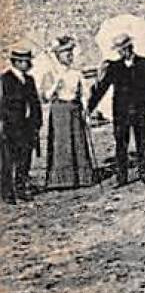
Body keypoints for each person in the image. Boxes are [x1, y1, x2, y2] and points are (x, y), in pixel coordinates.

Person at [87, 33, 145, 186]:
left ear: (131, 47)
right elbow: (102, 89)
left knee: (143, 143)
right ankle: (122, 177)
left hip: (142, 110)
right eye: (120, 50)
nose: (122, 52)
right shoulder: (114, 67)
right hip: (121, 113)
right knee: (121, 145)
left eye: (124, 49)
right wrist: (89, 107)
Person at [40, 36, 98, 190]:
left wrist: (86, 110)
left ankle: (82, 177)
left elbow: (84, 94)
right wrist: (56, 84)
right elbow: (46, 97)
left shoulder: (76, 73)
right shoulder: (51, 74)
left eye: (70, 52)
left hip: (74, 109)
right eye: (65, 53)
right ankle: (61, 180)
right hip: (59, 111)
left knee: (78, 142)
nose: (69, 56)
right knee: (62, 143)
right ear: (58, 56)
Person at [2, 45, 43, 203]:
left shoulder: (29, 80)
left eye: (28, 61)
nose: (28, 64)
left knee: (25, 158)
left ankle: (21, 188)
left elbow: (35, 102)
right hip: (11, 126)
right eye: (24, 61)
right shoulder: (5, 80)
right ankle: (7, 192)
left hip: (28, 126)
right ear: (16, 62)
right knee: (8, 160)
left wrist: (37, 122)